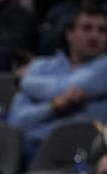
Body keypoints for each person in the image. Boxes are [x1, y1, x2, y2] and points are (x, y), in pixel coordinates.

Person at [8, 3, 107, 164]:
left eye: (102, 30)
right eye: (87, 28)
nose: (94, 36)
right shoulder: (40, 66)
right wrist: (53, 106)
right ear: (69, 33)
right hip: (31, 147)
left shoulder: (104, 67)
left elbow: (66, 86)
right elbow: (17, 121)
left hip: (81, 153)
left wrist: (25, 81)